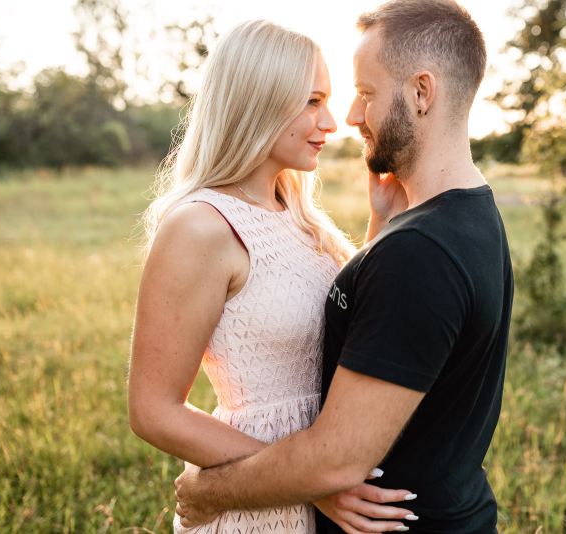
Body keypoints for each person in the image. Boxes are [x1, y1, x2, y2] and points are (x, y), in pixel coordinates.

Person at [174, 1, 514, 533]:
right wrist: (380, 234)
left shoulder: (420, 252)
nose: (350, 117)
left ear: (421, 92)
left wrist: (205, 490)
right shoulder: (473, 213)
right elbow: (383, 322)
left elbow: (335, 461)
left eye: (366, 93)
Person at [128, 19, 420, 534]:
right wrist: (306, 478)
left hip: (319, 474)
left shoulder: (297, 212)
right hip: (258, 497)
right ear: (258, 101)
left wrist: (380, 225)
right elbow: (154, 411)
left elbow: (337, 318)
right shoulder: (201, 225)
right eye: (312, 101)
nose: (330, 122)